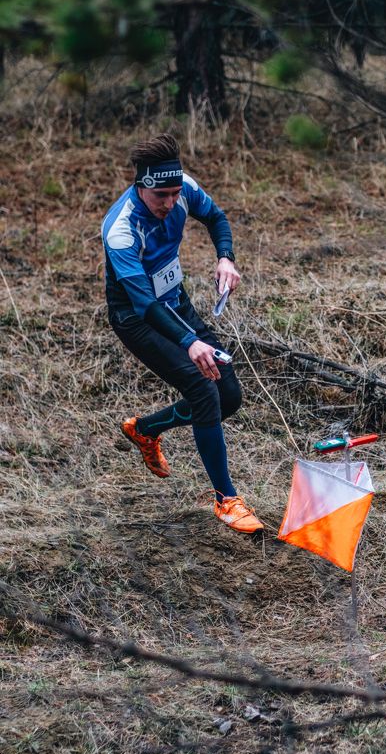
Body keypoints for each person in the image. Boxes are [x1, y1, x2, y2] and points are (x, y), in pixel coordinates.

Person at [101, 134, 264, 534]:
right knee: (202, 386)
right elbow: (145, 306)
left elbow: (217, 218)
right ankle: (227, 500)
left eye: (176, 194)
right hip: (138, 318)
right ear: (142, 188)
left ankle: (145, 429)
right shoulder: (121, 230)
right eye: (162, 197)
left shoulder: (183, 186)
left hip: (174, 301)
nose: (172, 203)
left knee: (229, 396)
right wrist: (190, 342)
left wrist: (225, 257)